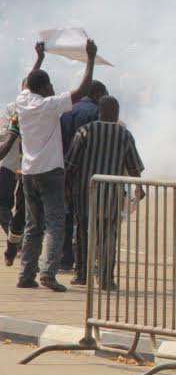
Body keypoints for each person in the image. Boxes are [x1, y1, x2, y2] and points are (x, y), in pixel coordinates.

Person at [16, 39, 98, 292]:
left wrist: (39, 58)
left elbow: (26, 83)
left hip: (29, 171)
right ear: (42, 87)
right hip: (50, 171)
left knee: (33, 225)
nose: (53, 88)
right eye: (49, 84)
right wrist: (91, 59)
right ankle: (48, 272)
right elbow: (82, 90)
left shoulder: (22, 100)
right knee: (55, 223)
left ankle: (26, 273)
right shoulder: (47, 105)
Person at [64, 96, 144, 287]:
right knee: (109, 235)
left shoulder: (84, 131)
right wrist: (139, 189)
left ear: (99, 111)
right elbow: (134, 167)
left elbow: (71, 165)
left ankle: (82, 274)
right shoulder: (124, 134)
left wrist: (66, 188)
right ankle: (107, 278)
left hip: (85, 193)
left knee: (83, 232)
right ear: (117, 114)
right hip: (111, 196)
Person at [58, 79, 108, 273]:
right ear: (97, 94)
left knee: (67, 216)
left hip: (66, 168)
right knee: (89, 219)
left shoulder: (67, 111)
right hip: (91, 172)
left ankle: (65, 260)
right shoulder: (97, 113)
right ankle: (87, 262)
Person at [0, 106, 22, 266]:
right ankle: (15, 240)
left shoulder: (15, 110)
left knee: (8, 207)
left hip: (13, 166)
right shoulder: (11, 110)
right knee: (4, 206)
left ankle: (16, 241)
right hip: (8, 164)